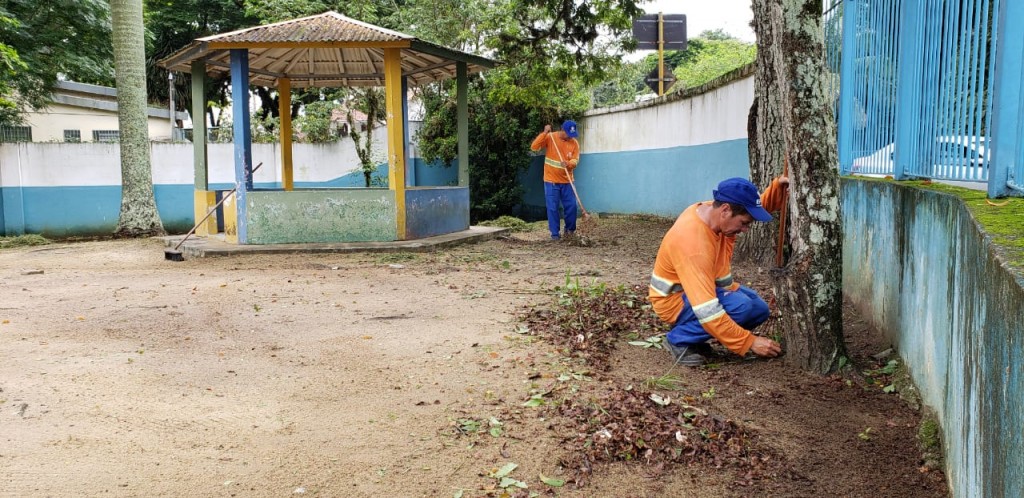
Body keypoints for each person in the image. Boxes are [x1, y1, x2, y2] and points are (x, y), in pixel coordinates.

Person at [648, 176, 788, 366]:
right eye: (744, 223)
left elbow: (750, 207)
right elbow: (707, 310)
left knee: (758, 309)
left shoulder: (713, 211)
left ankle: (694, 334)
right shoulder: (693, 244)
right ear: (725, 211)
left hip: (700, 291)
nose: (745, 230)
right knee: (742, 307)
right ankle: (679, 339)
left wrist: (778, 188)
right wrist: (749, 342)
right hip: (675, 301)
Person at [530, 120, 581, 240]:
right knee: (552, 208)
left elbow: (575, 160)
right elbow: (534, 147)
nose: (570, 137)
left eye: (572, 135)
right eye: (568, 134)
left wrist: (568, 164)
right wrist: (544, 133)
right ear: (562, 130)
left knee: (572, 207)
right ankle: (555, 234)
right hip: (551, 181)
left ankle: (570, 231)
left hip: (568, 181)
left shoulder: (574, 143)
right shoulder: (551, 137)